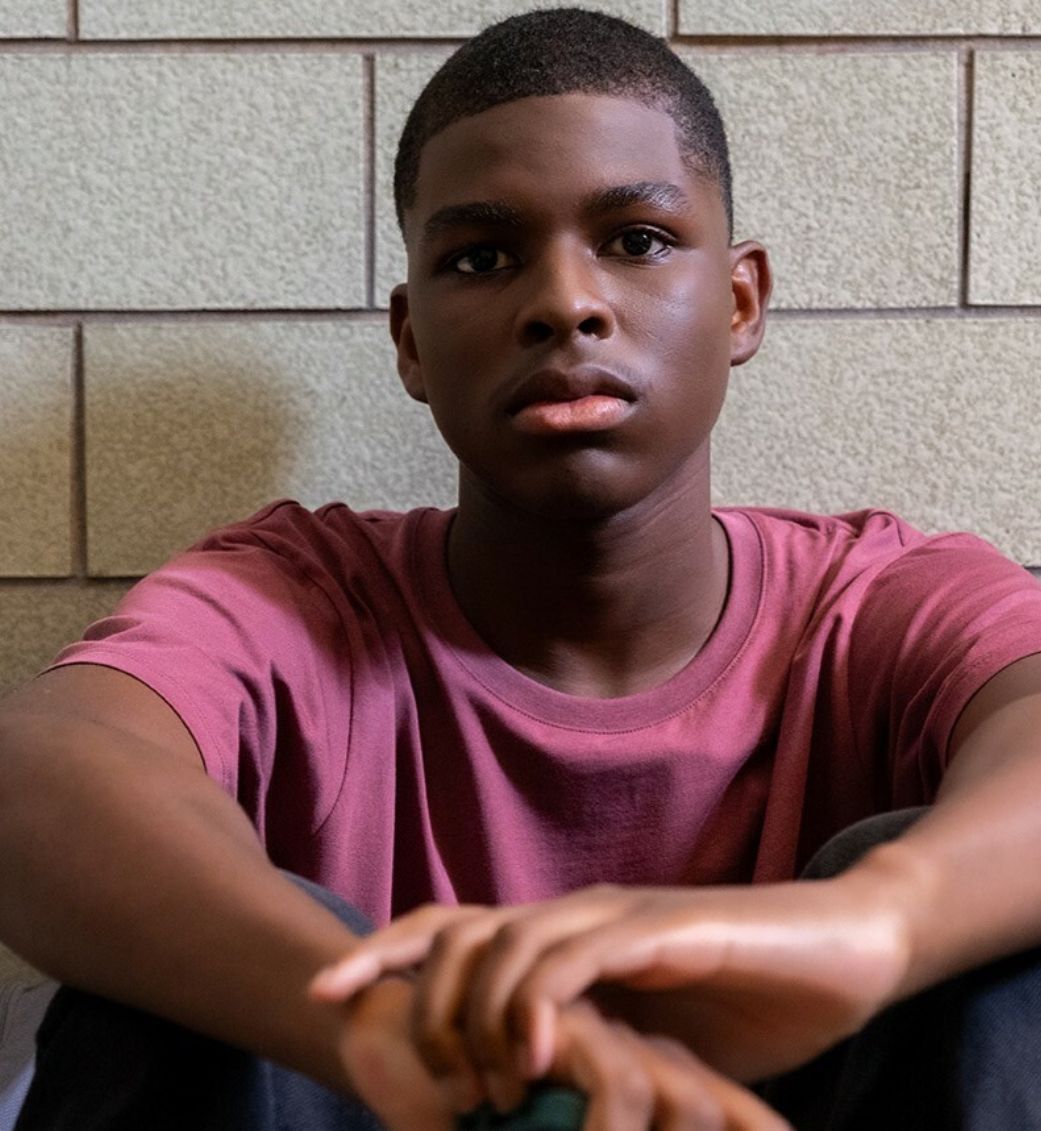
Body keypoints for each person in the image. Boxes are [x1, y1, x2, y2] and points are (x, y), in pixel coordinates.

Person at [2, 7, 1041, 1129]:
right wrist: (374, 1022)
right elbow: (43, 773)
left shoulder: (876, 602)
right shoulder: (299, 596)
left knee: (995, 939)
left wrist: (879, 925)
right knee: (169, 974)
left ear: (740, 301)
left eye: (636, 240)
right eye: (482, 257)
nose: (564, 303)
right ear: (411, 340)